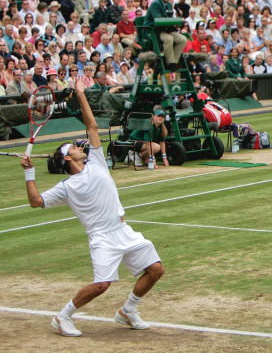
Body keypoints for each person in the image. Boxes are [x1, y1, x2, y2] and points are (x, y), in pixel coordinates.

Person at [20, 79, 164, 337]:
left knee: (156, 269)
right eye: (74, 147)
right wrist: (29, 172)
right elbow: (36, 202)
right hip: (102, 238)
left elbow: (91, 125)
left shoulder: (96, 160)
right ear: (67, 157)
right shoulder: (66, 186)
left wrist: (80, 94)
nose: (80, 147)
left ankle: (128, 311)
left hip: (123, 229)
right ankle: (62, 317)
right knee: (101, 285)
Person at [143, 0, 187, 70]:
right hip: (153, 30)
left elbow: (168, 20)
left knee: (183, 39)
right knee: (169, 39)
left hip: (165, 29)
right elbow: (159, 20)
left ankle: (174, 62)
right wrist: (174, 21)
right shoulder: (155, 4)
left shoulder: (169, 5)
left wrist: (177, 23)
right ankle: (169, 62)